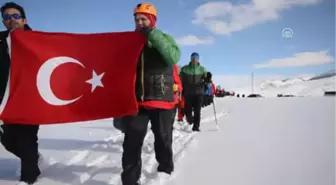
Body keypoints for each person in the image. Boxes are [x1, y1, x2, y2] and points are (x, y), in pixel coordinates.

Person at [120, 3, 180, 185]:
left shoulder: (164, 37)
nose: (139, 23)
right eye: (137, 19)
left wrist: (153, 35)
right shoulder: (130, 41)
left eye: (143, 19)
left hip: (161, 99)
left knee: (163, 139)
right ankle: (130, 180)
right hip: (136, 101)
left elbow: (172, 57)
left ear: (152, 20)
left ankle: (165, 169)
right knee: (131, 143)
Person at [0, 2, 42, 185]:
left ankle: (29, 179)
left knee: (27, 140)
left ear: (24, 20)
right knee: (8, 140)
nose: (11, 19)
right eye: (7, 16)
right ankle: (33, 158)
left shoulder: (38, 40)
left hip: (30, 100)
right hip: (5, 101)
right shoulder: (0, 40)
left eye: (15, 16)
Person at [180, 52, 207, 132]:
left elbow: (207, 80)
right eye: (193, 58)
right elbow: (180, 80)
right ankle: (190, 119)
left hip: (199, 93)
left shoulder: (203, 69)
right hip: (188, 93)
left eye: (196, 58)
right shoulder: (185, 69)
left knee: (197, 111)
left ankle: (196, 127)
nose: (194, 59)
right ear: (191, 59)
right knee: (188, 110)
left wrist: (208, 78)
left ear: (198, 59)